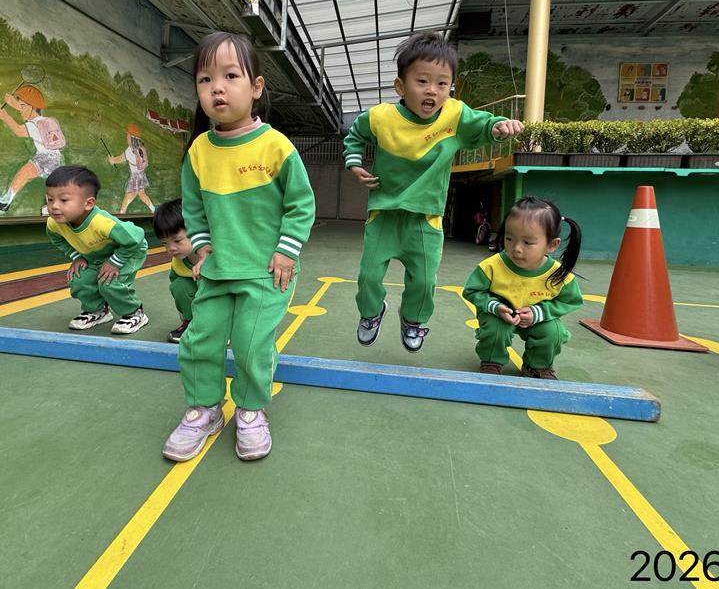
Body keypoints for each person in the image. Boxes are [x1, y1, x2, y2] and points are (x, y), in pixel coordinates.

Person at [162, 32, 315, 463]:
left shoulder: (276, 145)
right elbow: (194, 208)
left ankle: (250, 410)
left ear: (257, 87)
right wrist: (202, 248)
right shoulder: (199, 151)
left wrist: (286, 251)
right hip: (216, 270)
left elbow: (301, 204)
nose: (217, 88)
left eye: (231, 76)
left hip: (267, 272)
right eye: (205, 79)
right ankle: (204, 409)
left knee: (250, 345)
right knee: (199, 341)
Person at [343, 31, 524, 352]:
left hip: (426, 218)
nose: (432, 90)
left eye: (442, 84)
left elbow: (484, 125)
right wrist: (354, 163)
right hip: (384, 213)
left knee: (424, 280)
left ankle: (412, 320)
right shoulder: (380, 118)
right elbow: (355, 135)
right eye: (422, 81)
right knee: (368, 276)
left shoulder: (455, 115)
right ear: (400, 86)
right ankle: (371, 313)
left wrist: (499, 127)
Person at [463, 197, 583, 380]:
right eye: (509, 238)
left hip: (537, 317)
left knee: (554, 332)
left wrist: (538, 313)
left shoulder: (558, 274)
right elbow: (472, 291)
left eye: (527, 242)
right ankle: (492, 361)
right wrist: (495, 306)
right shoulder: (492, 266)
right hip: (499, 314)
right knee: (495, 329)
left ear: (552, 245)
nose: (516, 248)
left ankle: (536, 365)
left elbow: (570, 300)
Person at [44, 165, 149, 334]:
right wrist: (76, 257)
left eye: (63, 200)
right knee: (80, 279)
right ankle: (98, 311)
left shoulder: (101, 222)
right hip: (96, 256)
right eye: (50, 199)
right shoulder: (54, 224)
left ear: (88, 203)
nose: (54, 206)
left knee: (109, 282)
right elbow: (58, 239)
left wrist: (115, 262)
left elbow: (135, 238)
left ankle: (134, 313)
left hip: (128, 251)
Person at [0, 85, 65, 213]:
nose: (20, 111)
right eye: (20, 106)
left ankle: (4, 202)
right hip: (54, 158)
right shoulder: (43, 121)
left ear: (33, 107)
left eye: (23, 107)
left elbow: (19, 131)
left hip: (46, 159)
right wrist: (13, 103)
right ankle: (5, 201)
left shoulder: (34, 125)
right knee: (24, 175)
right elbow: (27, 109)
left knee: (24, 174)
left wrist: (4, 115)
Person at [151, 198, 199, 343]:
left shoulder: (215, 254)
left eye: (177, 241)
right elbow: (176, 288)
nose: (171, 248)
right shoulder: (179, 262)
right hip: (200, 299)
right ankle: (191, 323)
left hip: (222, 301)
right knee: (179, 286)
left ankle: (220, 329)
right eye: (165, 243)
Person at [107, 123, 157, 214]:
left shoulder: (130, 151)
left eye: (128, 135)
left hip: (135, 178)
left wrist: (112, 160)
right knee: (141, 195)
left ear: (131, 137)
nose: (127, 137)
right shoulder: (141, 148)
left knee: (129, 196)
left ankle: (121, 214)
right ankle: (154, 210)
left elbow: (120, 159)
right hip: (141, 175)